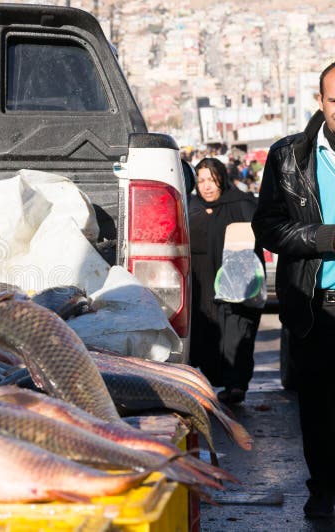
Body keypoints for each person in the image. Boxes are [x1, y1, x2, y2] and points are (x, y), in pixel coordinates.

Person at [252, 61, 335, 520]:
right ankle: (323, 489)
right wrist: (322, 238)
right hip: (314, 306)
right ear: (320, 101)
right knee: (318, 409)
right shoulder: (288, 156)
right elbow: (267, 226)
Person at [188, 157, 262, 404]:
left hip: (237, 287)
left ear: (222, 178)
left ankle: (236, 384)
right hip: (203, 288)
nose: (207, 186)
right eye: (201, 181)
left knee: (236, 333)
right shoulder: (190, 207)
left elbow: (259, 235)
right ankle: (217, 380)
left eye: (212, 179)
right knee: (208, 336)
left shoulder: (241, 204)